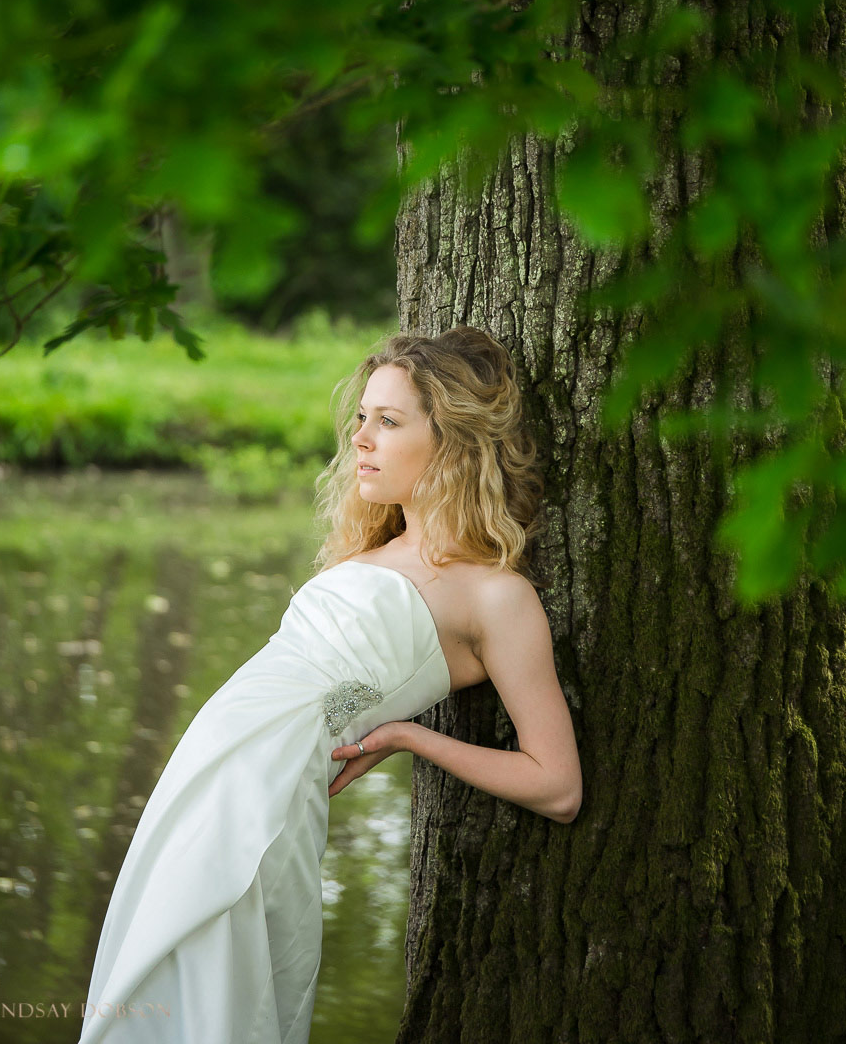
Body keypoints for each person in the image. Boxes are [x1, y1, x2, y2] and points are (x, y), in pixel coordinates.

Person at [78, 325, 581, 1044]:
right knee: (151, 964)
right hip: (211, 763)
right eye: (361, 420)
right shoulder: (373, 548)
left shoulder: (495, 596)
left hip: (272, 783)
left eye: (389, 421)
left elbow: (558, 786)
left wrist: (411, 736)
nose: (362, 440)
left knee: (216, 979)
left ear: (453, 441)